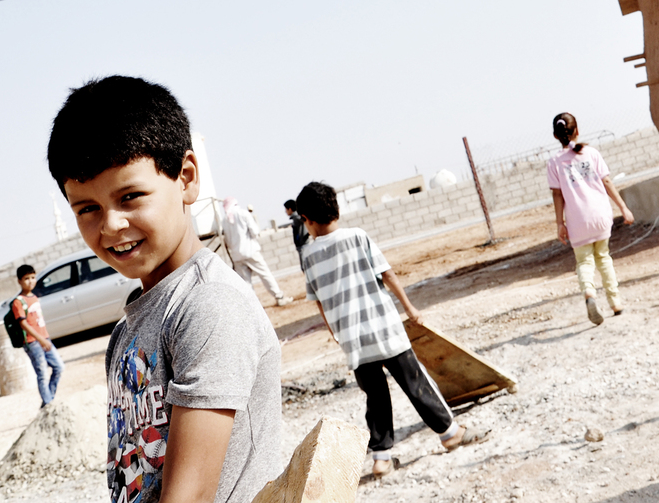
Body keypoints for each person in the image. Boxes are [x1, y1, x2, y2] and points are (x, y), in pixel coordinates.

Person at [47, 76, 282, 503]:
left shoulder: (209, 306)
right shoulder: (128, 331)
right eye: (87, 209)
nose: (111, 225)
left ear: (187, 178)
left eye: (131, 196)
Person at [293, 181, 486, 477]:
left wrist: (335, 332)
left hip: (353, 338)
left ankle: (381, 459)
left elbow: (318, 301)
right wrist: (409, 307)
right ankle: (450, 433)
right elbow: (387, 273)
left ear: (307, 219)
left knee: (376, 397)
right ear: (337, 209)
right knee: (415, 381)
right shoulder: (357, 236)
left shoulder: (308, 256)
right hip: (384, 327)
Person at [547, 112, 636, 325]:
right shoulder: (592, 153)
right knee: (604, 257)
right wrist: (623, 207)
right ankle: (616, 303)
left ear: (555, 135)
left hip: (578, 220)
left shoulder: (554, 162)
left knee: (584, 261)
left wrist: (560, 223)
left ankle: (589, 293)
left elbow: (557, 194)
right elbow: (606, 182)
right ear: (577, 131)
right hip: (600, 215)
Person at [11, 263, 64, 408]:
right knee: (42, 373)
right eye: (26, 278)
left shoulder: (34, 297)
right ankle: (48, 403)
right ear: (19, 281)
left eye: (33, 277)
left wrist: (44, 338)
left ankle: (49, 399)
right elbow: (23, 324)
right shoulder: (18, 302)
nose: (31, 281)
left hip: (44, 339)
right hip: (33, 342)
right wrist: (40, 340)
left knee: (59, 367)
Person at [221, 197, 291, 306]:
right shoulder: (243, 213)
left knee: (246, 283)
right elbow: (254, 232)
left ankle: (253, 306)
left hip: (237, 256)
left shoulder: (224, 220)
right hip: (250, 251)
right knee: (265, 274)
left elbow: (227, 241)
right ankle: (279, 297)